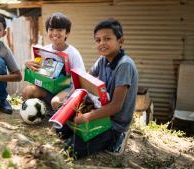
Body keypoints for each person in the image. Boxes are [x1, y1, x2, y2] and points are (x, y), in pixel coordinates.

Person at [57, 18, 138, 158]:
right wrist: (70, 102)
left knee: (71, 149)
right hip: (99, 111)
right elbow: (85, 79)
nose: (102, 43)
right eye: (98, 40)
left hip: (114, 123)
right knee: (61, 129)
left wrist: (86, 117)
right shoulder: (102, 60)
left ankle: (118, 139)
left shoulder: (125, 65)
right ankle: (85, 132)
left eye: (107, 39)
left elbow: (115, 107)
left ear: (120, 41)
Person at [22, 12, 85, 113]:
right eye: (51, 29)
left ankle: (61, 119)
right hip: (48, 88)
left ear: (67, 33)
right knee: (27, 91)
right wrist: (27, 64)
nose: (55, 33)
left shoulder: (73, 53)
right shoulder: (43, 50)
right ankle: (32, 113)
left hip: (67, 90)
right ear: (47, 31)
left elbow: (81, 80)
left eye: (59, 30)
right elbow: (35, 71)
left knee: (55, 102)